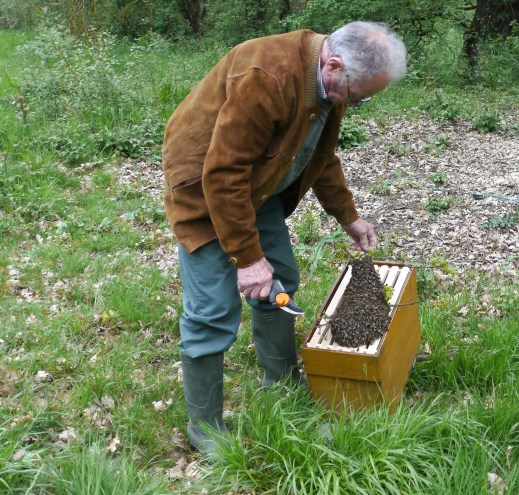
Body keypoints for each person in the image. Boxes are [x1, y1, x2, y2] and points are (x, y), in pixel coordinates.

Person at [162, 21, 407, 456]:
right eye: (359, 96)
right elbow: (223, 174)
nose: (358, 102)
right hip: (205, 190)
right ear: (333, 65)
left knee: (280, 284)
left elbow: (320, 155)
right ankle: (205, 428)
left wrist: (348, 217)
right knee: (212, 311)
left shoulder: (331, 85)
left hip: (260, 184)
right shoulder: (268, 76)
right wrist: (247, 258)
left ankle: (279, 382)